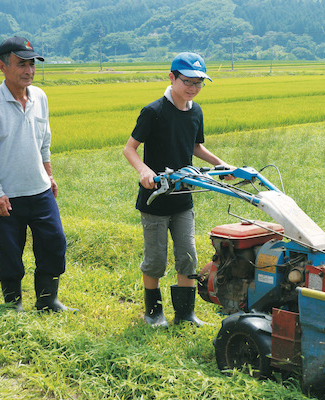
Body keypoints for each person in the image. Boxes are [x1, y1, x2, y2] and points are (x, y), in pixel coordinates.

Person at [123, 52, 233, 328]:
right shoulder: (154, 112)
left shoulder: (195, 111)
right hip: (155, 198)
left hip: (184, 197)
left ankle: (185, 314)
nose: (193, 88)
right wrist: (144, 171)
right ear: (172, 78)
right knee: (156, 258)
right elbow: (130, 148)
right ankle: (153, 313)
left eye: (199, 83)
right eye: (188, 81)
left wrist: (222, 165)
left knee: (187, 256)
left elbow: (196, 147)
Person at [0, 36, 75, 313]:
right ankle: (13, 304)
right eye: (21, 64)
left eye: (31, 64)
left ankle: (47, 300)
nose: (29, 70)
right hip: (6, 195)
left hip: (39, 190)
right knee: (9, 253)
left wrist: (49, 175)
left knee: (54, 243)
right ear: (3, 67)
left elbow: (44, 140)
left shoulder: (39, 97)